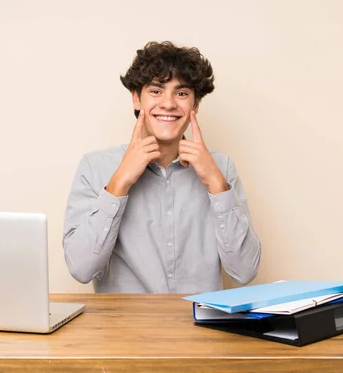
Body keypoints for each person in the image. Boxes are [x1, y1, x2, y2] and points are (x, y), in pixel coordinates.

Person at [62, 41, 261, 293]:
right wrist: (118, 183)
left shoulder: (222, 167)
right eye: (156, 91)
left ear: (195, 105)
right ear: (136, 99)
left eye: (181, 93)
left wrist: (218, 186)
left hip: (200, 328)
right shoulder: (95, 166)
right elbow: (80, 269)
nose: (168, 104)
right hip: (123, 330)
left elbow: (245, 272)